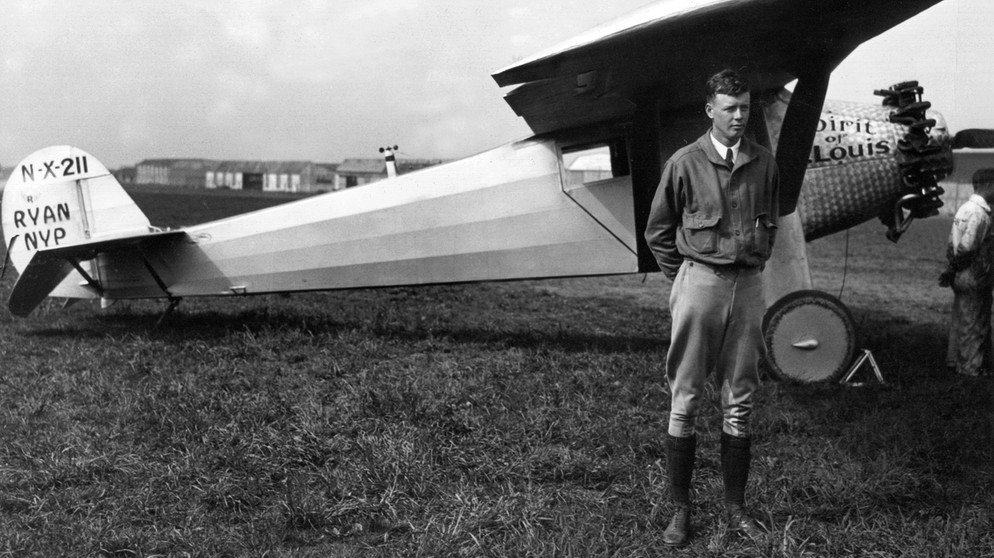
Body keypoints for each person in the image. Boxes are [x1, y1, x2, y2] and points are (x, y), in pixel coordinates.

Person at [644, 68, 779, 546]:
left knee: (739, 401)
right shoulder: (684, 162)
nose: (740, 116)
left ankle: (736, 509)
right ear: (711, 110)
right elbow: (658, 232)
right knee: (685, 400)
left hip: (748, 287)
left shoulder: (764, 162)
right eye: (730, 109)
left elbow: (771, 224)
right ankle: (680, 512)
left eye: (745, 107)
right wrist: (685, 279)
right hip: (700, 282)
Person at [940, 177, 994, 377]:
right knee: (974, 323)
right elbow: (967, 247)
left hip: (959, 273)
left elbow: (951, 244)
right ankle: (970, 368)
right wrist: (956, 267)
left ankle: (954, 361)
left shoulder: (964, 208)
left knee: (960, 319)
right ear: (988, 185)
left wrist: (951, 269)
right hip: (973, 274)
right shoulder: (980, 214)